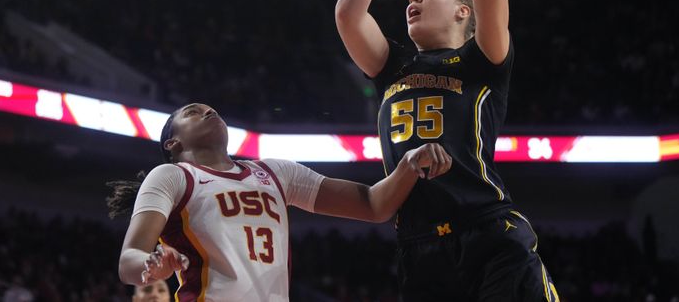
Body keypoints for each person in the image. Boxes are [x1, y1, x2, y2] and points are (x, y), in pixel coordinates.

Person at [334, 0, 556, 301]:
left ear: (463, 10)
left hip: (489, 232)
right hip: (419, 248)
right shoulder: (392, 64)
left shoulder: (483, 59)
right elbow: (347, 13)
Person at [107, 102, 451, 302]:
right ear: (173, 144)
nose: (207, 110)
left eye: (210, 108)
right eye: (194, 112)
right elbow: (128, 262)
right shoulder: (173, 177)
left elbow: (373, 205)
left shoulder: (275, 173)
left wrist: (407, 165)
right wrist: (153, 265)